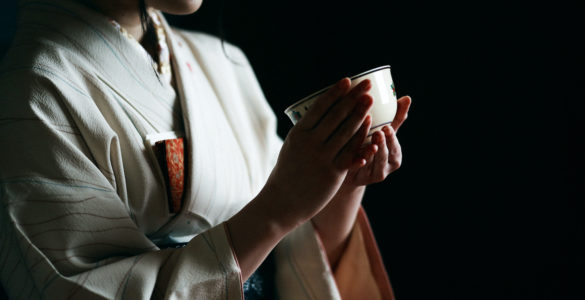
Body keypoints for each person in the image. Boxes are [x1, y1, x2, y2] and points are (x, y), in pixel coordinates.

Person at [0, 0, 412, 298]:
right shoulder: (34, 89)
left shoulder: (224, 63)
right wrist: (276, 211)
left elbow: (295, 249)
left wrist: (341, 182)